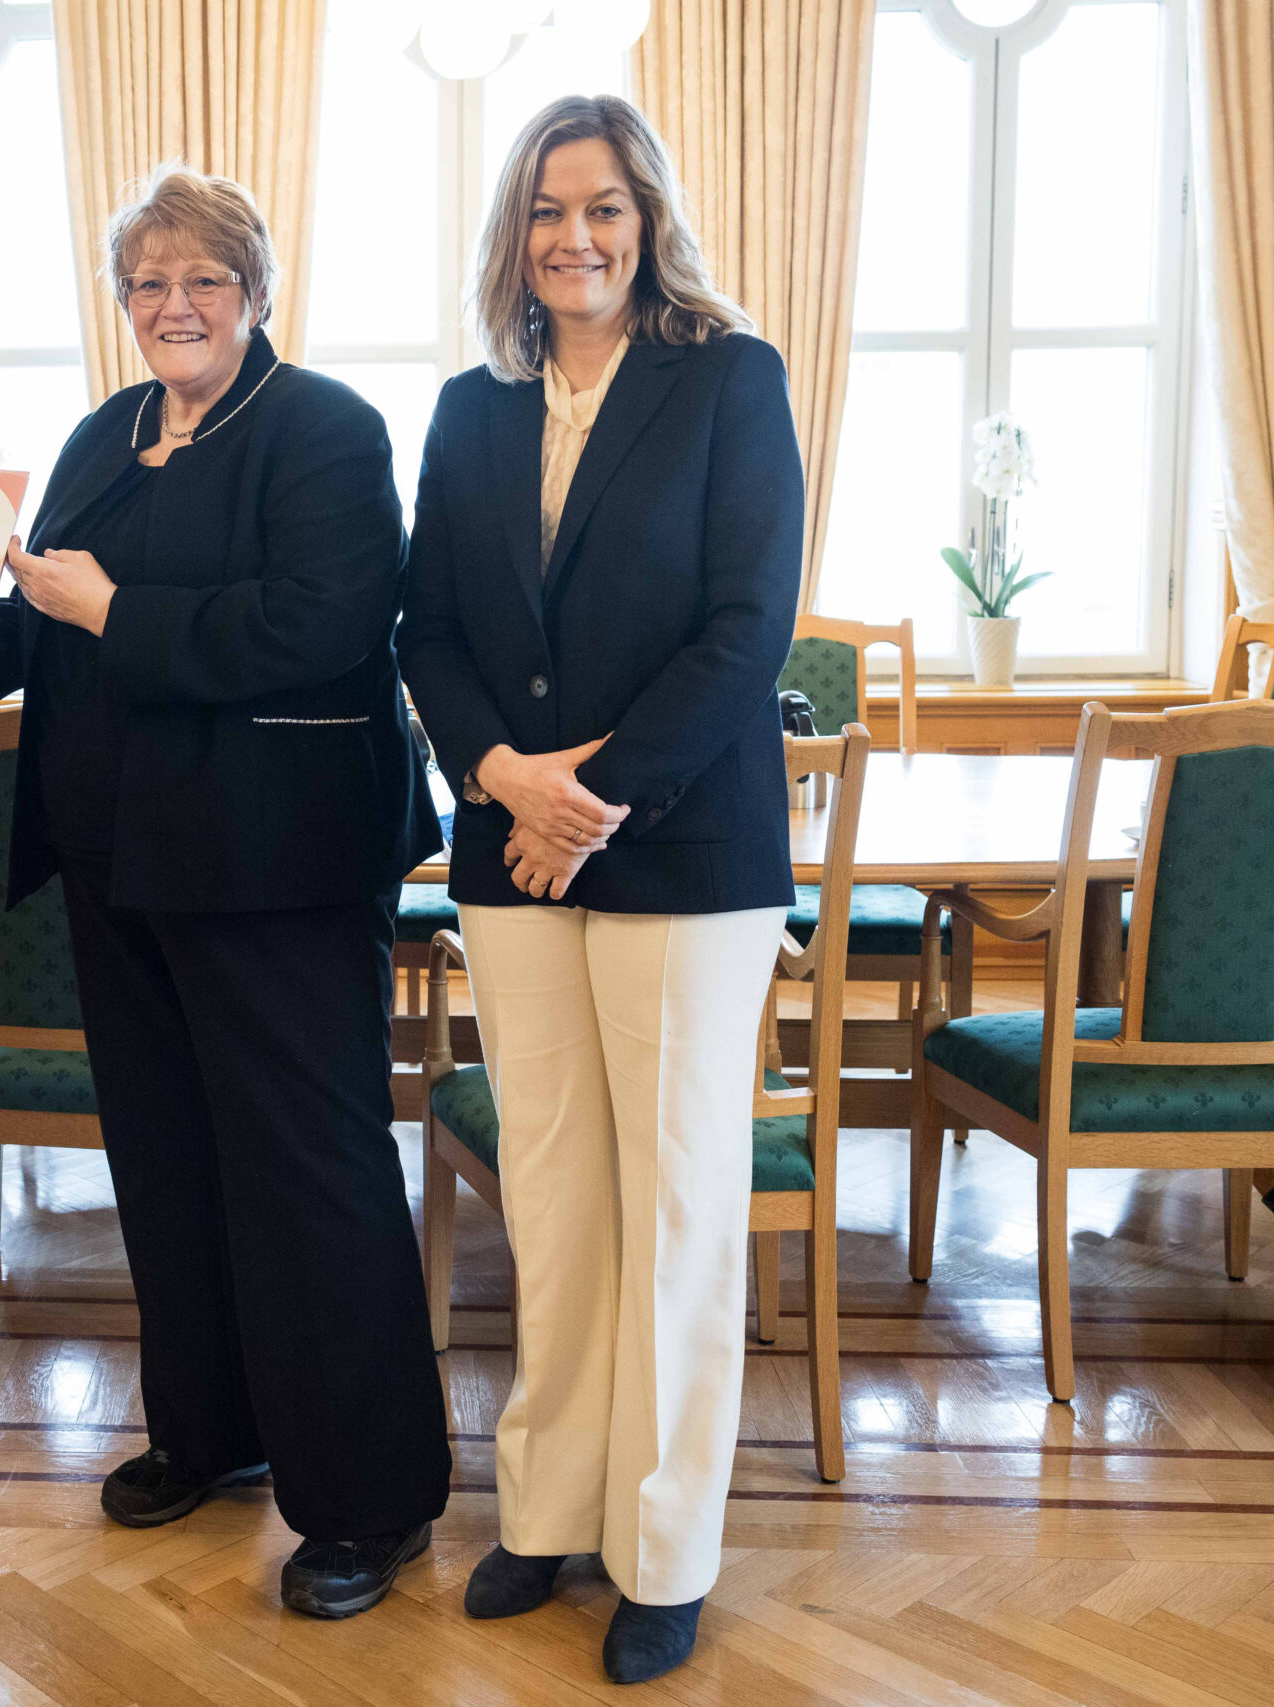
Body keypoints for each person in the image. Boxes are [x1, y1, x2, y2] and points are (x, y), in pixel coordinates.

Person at [0, 166, 450, 1619]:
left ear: (255, 292)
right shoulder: (104, 432)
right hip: (121, 860)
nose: (174, 307)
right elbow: (33, 610)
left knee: (310, 1172)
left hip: (279, 871)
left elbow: (324, 629)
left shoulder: (324, 430)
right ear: (122, 301)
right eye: (148, 284)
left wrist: (115, 609)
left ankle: (372, 1498)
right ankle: (211, 1431)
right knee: (169, 1163)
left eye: (205, 281)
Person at [398, 95, 803, 1684]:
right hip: (509, 851)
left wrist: (597, 799)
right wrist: (508, 782)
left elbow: (745, 630)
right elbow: (426, 630)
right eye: (550, 209)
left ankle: (664, 1546)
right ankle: (548, 1510)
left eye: (606, 208)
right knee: (552, 1194)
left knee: (679, 1201)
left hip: (685, 858)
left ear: (648, 223)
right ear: (517, 232)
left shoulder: (728, 378)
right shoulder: (471, 408)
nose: (576, 235)